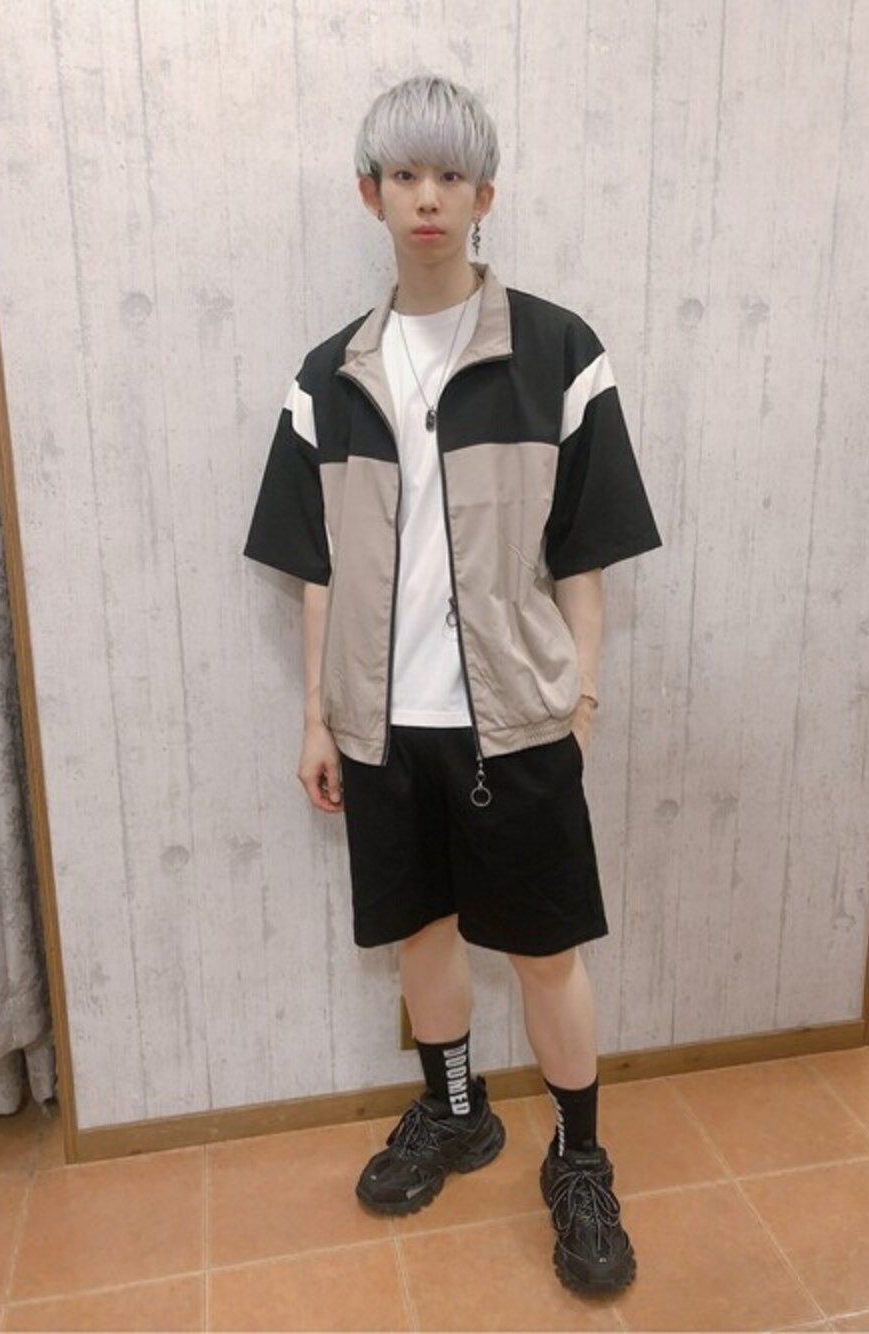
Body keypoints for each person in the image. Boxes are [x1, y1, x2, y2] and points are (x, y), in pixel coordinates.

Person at [243, 73, 662, 1296]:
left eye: (450, 176)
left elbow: (584, 558)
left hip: (519, 720)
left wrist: (579, 704)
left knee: (544, 951)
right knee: (421, 935)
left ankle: (577, 1158)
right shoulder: (326, 378)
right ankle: (457, 1110)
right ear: (368, 193)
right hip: (382, 726)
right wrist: (316, 716)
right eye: (403, 175)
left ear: (485, 196)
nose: (426, 197)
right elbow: (317, 569)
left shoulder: (558, 352)